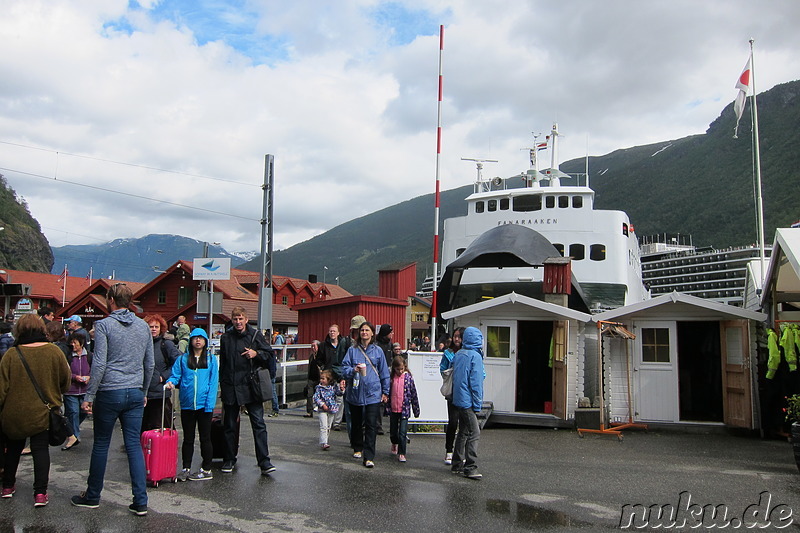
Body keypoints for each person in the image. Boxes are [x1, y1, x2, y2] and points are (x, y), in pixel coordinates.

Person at [71, 283, 154, 516]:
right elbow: (149, 363)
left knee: (101, 444)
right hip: (135, 390)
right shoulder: (143, 326)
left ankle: (93, 495)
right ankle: (140, 501)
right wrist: (144, 390)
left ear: (110, 300)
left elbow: (99, 363)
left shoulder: (104, 325)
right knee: (134, 446)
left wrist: (89, 395)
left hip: (110, 391)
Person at [0, 314, 71, 507]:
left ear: (19, 330)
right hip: (43, 411)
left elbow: (2, 388)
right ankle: (40, 493)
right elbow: (65, 381)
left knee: (13, 449)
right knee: (40, 451)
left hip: (14, 413)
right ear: (42, 329)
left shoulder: (11, 355)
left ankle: (7, 486)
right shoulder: (54, 352)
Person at [218, 306, 277, 476]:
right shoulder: (226, 338)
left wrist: (256, 353)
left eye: (241, 318)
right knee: (229, 425)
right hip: (231, 386)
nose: (238, 322)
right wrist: (223, 385)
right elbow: (224, 363)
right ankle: (229, 459)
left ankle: (264, 462)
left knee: (258, 424)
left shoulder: (255, 336)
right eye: (235, 319)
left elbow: (269, 354)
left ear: (246, 319)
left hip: (251, 387)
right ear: (232, 320)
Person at [165, 328, 219, 482]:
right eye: (195, 338)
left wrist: (210, 404)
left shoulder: (211, 359)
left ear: (205, 341)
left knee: (205, 437)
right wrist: (171, 382)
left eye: (201, 338)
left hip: (204, 406)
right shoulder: (183, 359)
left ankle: (206, 468)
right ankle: (186, 468)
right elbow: (176, 375)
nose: (197, 341)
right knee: (188, 438)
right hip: (187, 405)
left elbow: (213, 383)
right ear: (191, 340)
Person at [341, 321, 389, 468]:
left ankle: (369, 456)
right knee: (356, 423)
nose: (364, 333)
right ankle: (357, 446)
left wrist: (386, 391)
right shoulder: (352, 350)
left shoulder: (378, 351)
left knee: (371, 424)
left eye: (367, 330)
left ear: (372, 333)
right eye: (362, 330)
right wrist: (352, 370)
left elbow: (384, 373)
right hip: (355, 392)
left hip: (373, 392)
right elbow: (344, 368)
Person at [450, 326, 485, 480]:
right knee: (474, 432)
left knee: (463, 431)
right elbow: (476, 383)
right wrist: (477, 404)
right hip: (467, 401)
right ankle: (470, 466)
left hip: (457, 399)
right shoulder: (475, 357)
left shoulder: (459, 354)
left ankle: (456, 463)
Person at [142, 314, 180, 433]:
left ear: (161, 328)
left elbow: (178, 363)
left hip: (160, 394)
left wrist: (163, 376)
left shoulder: (166, 344)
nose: (153, 329)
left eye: (156, 327)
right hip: (143, 393)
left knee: (162, 429)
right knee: (143, 430)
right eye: (150, 326)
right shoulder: (141, 345)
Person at [61, 331, 92, 451]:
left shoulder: (89, 356)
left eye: (75, 342)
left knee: (83, 412)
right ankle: (75, 436)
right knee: (73, 412)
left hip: (84, 390)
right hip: (71, 390)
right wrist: (74, 377)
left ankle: (70, 431)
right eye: (71, 342)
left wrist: (89, 377)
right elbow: (64, 372)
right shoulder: (68, 356)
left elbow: (94, 370)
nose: (73, 345)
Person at [386, 356, 420, 463]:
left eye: (402, 369)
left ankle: (402, 452)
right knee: (393, 431)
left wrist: (416, 409)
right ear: (394, 369)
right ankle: (394, 443)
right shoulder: (391, 379)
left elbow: (414, 394)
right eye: (398, 369)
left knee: (403, 433)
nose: (400, 371)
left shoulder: (408, 379)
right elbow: (387, 393)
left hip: (404, 409)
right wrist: (387, 407)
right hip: (393, 409)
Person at [440, 327, 465, 466]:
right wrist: (447, 374)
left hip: (465, 392)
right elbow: (442, 368)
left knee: (465, 424)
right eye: (455, 336)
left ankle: (461, 453)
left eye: (459, 337)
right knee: (453, 422)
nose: (456, 339)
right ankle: (449, 451)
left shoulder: (469, 353)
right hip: (452, 392)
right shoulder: (448, 353)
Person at [320, 324, 348, 431]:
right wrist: (323, 369)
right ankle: (328, 421)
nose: (332, 333)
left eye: (334, 331)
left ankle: (337, 422)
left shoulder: (343, 344)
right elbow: (319, 359)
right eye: (330, 331)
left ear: (338, 333)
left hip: (339, 375)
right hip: (328, 375)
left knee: (339, 399)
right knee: (327, 397)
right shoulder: (324, 345)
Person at [313, 369, 340, 450]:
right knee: (323, 426)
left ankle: (326, 440)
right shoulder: (319, 388)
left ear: (328, 380)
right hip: (322, 409)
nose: (321, 380)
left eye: (323, 379)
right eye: (321, 378)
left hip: (331, 408)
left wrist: (342, 389)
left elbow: (339, 394)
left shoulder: (332, 388)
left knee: (328, 426)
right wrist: (322, 404)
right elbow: (316, 397)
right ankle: (324, 442)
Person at [304, 340, 321, 417]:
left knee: (321, 395)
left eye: (314, 346)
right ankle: (309, 411)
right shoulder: (311, 357)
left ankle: (323, 411)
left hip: (319, 378)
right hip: (311, 378)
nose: (313, 348)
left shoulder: (321, 356)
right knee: (309, 394)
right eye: (312, 346)